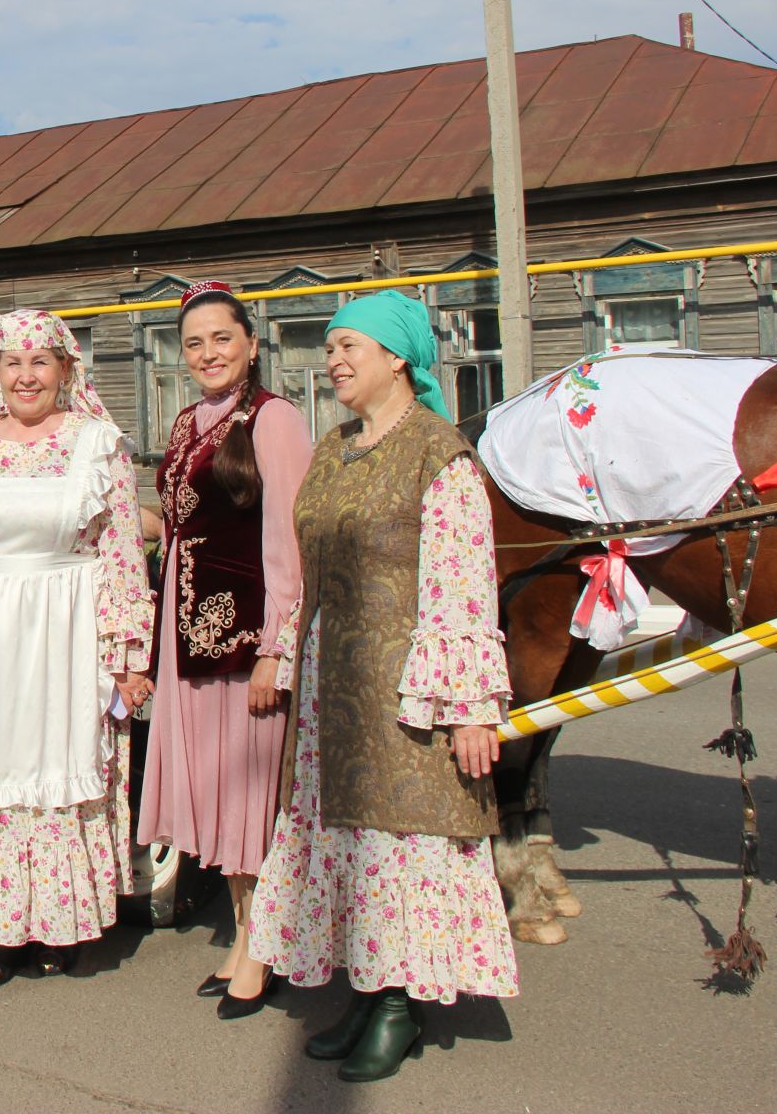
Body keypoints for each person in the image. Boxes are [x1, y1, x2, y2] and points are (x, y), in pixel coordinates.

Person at [244, 290, 518, 1083]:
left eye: (347, 346)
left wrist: (469, 708)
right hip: (336, 681)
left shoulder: (441, 454)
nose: (332, 361)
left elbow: (463, 584)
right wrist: (292, 657)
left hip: (408, 684)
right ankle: (368, 990)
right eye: (328, 348)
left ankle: (401, 1005)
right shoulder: (334, 449)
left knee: (402, 839)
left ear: (398, 356)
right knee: (351, 842)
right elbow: (309, 570)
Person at [0, 309, 153, 989]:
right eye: (11, 363)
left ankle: (57, 923)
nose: (25, 376)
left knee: (61, 765)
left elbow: (124, 556)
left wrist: (127, 656)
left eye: (39, 362)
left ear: (64, 369)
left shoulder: (98, 444)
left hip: (66, 631)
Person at [134, 282, 312, 1018]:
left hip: (244, 640)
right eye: (195, 343)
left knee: (249, 802)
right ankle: (247, 935)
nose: (208, 353)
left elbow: (289, 542)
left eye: (222, 339)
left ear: (250, 344)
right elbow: (173, 532)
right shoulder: (183, 425)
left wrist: (278, 649)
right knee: (216, 795)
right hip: (185, 637)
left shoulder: (274, 419)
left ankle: (261, 949)